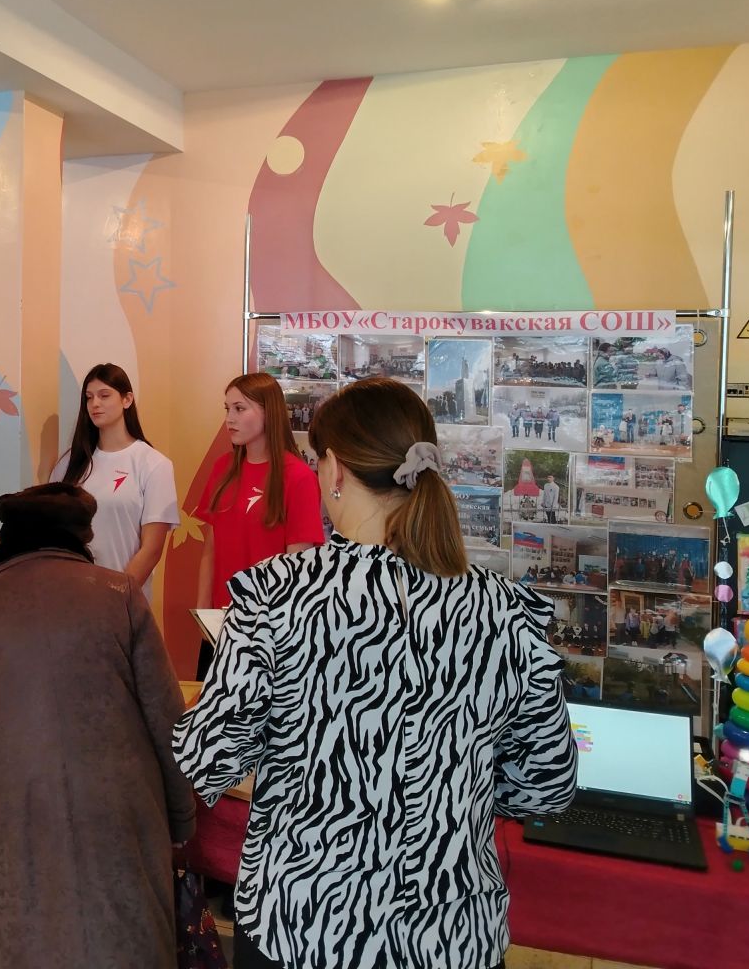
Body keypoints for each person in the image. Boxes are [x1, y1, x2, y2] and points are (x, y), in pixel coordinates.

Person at [175, 377, 578, 969]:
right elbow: (546, 784)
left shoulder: (276, 597)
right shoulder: (504, 609)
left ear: (334, 468)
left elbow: (207, 758)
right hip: (450, 933)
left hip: (304, 924)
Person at [0, 484, 195, 967]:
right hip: (122, 808)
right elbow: (168, 719)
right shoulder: (120, 595)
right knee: (130, 940)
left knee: (33, 942)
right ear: (82, 536)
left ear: (9, 538)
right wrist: (181, 817)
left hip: (15, 814)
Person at [195, 372, 324, 613]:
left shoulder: (299, 477)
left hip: (270, 620)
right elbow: (210, 550)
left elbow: (298, 566)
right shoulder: (223, 467)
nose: (229, 419)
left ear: (268, 412)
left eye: (239, 409)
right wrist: (203, 610)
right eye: (227, 409)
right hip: (221, 616)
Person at [51, 363, 179, 594]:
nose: (95, 404)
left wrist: (115, 595)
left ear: (126, 400)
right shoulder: (68, 465)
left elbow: (151, 549)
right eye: (89, 397)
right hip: (70, 596)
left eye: (104, 395)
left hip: (123, 600)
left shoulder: (154, 464)